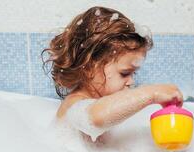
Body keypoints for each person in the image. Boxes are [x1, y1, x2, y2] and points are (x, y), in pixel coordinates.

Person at [42, 6, 183, 144]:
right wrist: (152, 94)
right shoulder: (74, 103)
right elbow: (94, 119)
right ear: (89, 67)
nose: (131, 82)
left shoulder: (106, 104)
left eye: (134, 73)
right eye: (125, 73)